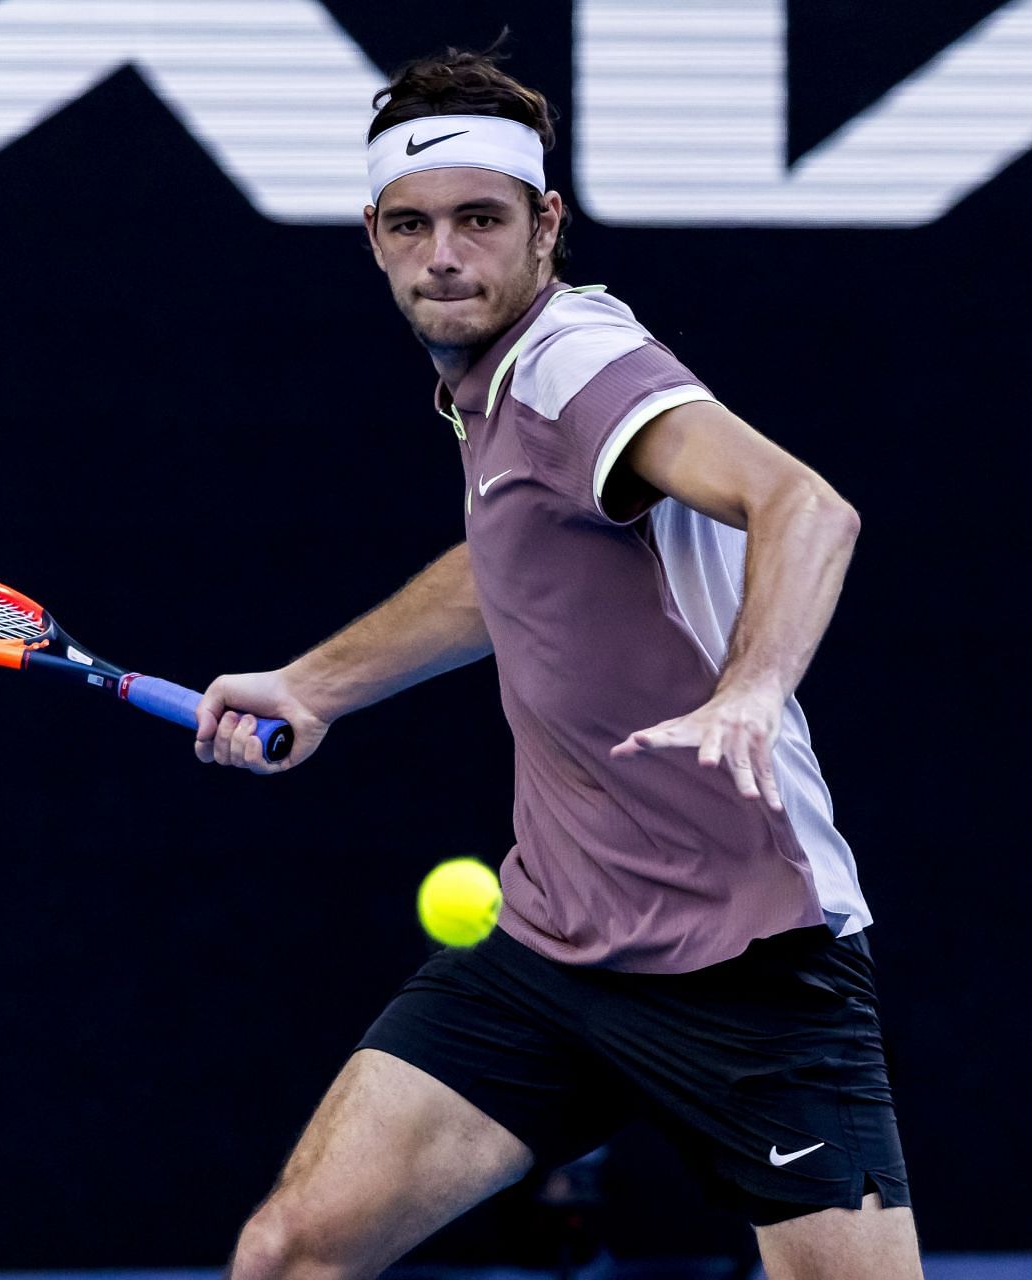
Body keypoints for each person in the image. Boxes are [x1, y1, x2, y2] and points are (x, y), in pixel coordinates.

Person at [196, 41, 922, 1280]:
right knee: (292, 1253)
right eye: (413, 224)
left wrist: (750, 688)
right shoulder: (491, 397)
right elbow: (512, 558)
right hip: (555, 942)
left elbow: (808, 506)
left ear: (546, 225)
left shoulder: (576, 363)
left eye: (480, 220)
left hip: (749, 956)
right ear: (371, 234)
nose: (444, 256)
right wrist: (316, 684)